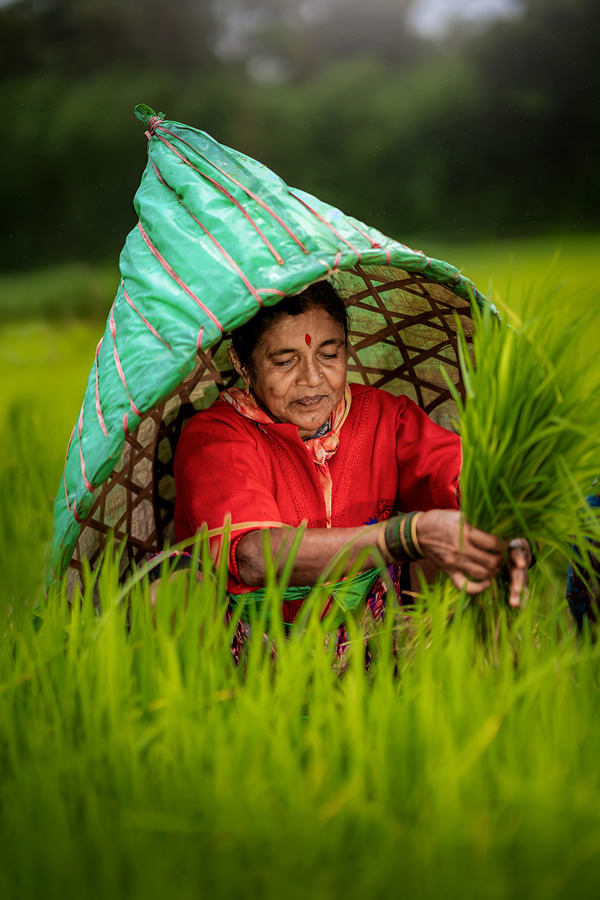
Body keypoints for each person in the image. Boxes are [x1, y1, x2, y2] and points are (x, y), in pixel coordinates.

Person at [173, 280, 530, 641]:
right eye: (285, 361)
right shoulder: (216, 437)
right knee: (172, 592)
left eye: (329, 355)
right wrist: (407, 534)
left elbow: (469, 480)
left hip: (367, 637)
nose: (312, 380)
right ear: (243, 365)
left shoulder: (383, 417)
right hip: (255, 648)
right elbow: (254, 557)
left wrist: (508, 524)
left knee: (460, 543)